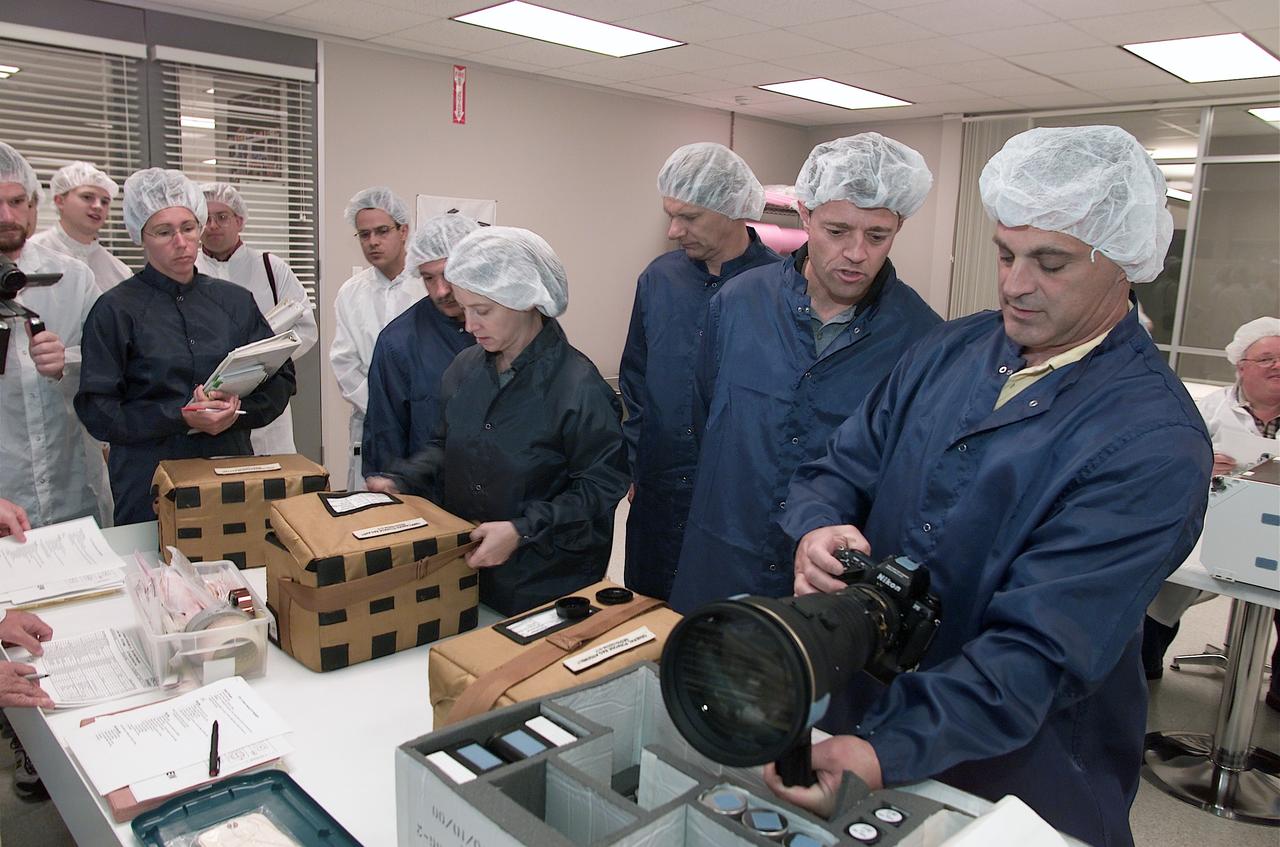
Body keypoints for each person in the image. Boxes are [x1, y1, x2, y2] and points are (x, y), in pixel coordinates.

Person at [768, 126, 1212, 847]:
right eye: (1005, 253)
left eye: (1050, 261)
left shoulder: (1152, 443)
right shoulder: (952, 349)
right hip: (867, 717)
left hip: (1019, 772)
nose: (1013, 283)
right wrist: (818, 524)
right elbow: (838, 466)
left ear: (1122, 262)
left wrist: (888, 748)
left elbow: (1038, 652)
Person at [668, 134, 942, 613]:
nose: (856, 253)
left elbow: (906, 475)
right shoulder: (737, 303)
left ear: (898, 226)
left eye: (877, 236)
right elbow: (706, 412)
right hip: (725, 554)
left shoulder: (922, 339)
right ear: (806, 215)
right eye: (837, 231)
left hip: (830, 580)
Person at [369, 227, 628, 616]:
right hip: (470, 574)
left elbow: (601, 487)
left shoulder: (578, 387)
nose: (469, 325)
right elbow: (445, 445)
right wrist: (403, 478)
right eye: (464, 308)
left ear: (525, 301)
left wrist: (522, 529)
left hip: (546, 583)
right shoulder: (465, 369)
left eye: (482, 311)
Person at [75, 169, 295, 525]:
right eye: (164, 232)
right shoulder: (115, 310)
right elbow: (98, 410)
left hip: (228, 471)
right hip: (148, 481)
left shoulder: (235, 302)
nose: (181, 242)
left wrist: (237, 412)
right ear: (139, 236)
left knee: (233, 572)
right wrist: (178, 416)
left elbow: (281, 378)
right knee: (154, 575)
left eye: (189, 228)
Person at [619, 142, 779, 600]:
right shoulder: (658, 280)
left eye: (688, 218)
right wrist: (635, 464)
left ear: (732, 210)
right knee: (646, 607)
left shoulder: (779, 288)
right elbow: (635, 380)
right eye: (670, 214)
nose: (673, 231)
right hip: (659, 486)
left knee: (714, 617)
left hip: (733, 499)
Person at [1143, 316, 1279, 700]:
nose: (1277, 367)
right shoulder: (1206, 410)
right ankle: (1146, 662)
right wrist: (1200, 464)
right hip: (1212, 524)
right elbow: (1165, 463)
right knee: (1164, 588)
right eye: (1266, 359)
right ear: (1242, 366)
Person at [0, 142, 112, 529]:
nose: (6, 216)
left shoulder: (73, 278)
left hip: (72, 489)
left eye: (17, 202)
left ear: (34, 205)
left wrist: (68, 360)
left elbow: (114, 361)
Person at [196, 182, 318, 455]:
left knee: (272, 483)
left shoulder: (270, 268)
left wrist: (264, 362)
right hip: (210, 402)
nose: (213, 225)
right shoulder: (190, 272)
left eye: (222, 217)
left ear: (239, 220)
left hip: (267, 402)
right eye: (206, 218)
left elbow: (306, 328)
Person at [361, 213, 478, 479]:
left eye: (449, 275)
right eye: (428, 278)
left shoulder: (514, 326)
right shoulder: (398, 343)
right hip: (431, 501)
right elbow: (385, 439)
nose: (440, 291)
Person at [330, 186, 418, 491]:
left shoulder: (429, 286)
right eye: (364, 234)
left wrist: (415, 412)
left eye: (382, 231)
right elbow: (345, 364)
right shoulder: (351, 293)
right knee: (370, 514)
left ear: (404, 230)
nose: (373, 242)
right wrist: (384, 410)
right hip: (372, 422)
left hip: (427, 423)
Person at [29, 161, 132, 291]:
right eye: (87, 197)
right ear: (60, 201)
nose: (98, 206)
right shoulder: (30, 253)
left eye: (104, 202)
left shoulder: (120, 272)